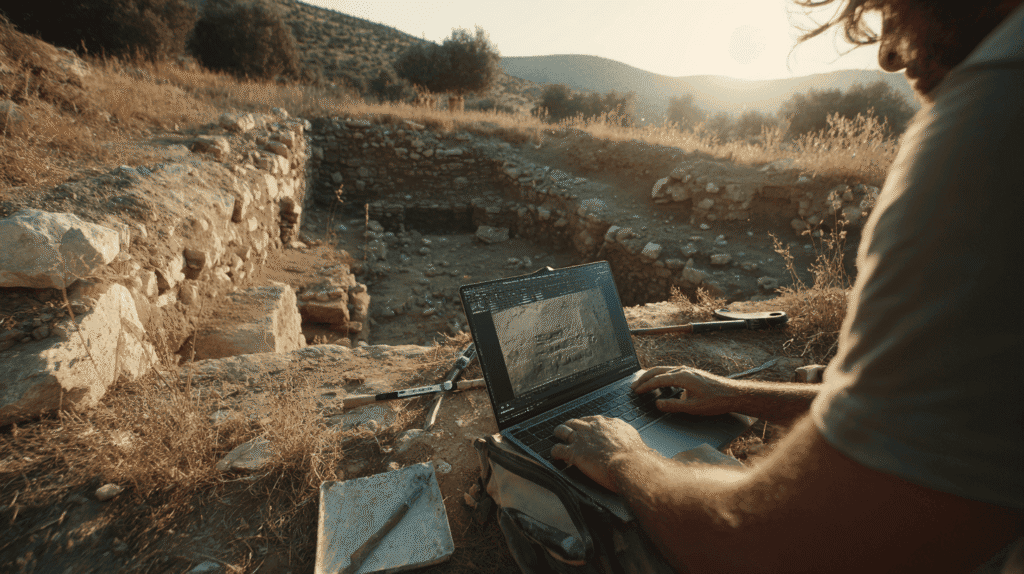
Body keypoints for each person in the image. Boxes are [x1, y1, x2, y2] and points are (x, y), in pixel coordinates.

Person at [549, 0, 1024, 572]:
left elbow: (760, 543)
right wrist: (737, 394)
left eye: (892, 9)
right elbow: (949, 412)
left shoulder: (994, 117)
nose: (888, 54)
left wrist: (627, 461)